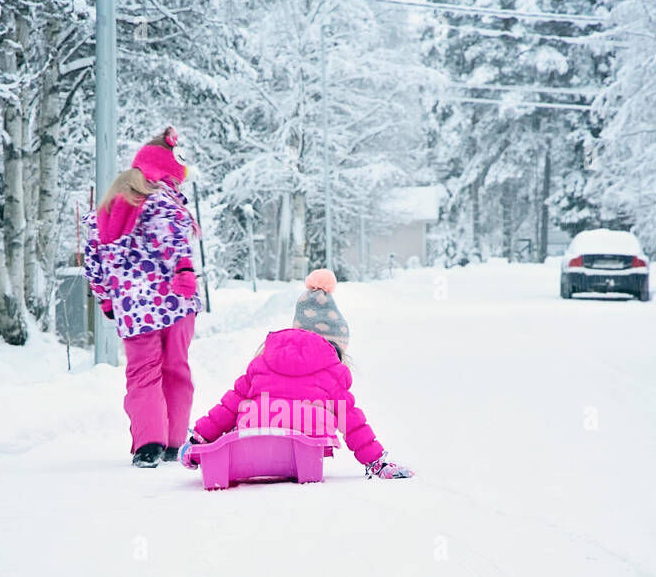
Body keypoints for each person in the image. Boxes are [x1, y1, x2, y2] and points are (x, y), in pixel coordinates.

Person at [181, 269, 412, 479]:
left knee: (247, 411)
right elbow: (351, 422)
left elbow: (229, 405)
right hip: (307, 447)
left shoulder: (264, 359)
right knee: (321, 415)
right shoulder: (333, 370)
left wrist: (198, 439)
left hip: (256, 435)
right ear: (337, 344)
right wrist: (377, 462)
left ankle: (233, 448)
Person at [83, 127, 200, 467]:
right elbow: (173, 238)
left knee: (142, 374)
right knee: (176, 370)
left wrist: (106, 299)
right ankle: (175, 442)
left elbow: (94, 263)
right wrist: (183, 269)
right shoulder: (164, 201)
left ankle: (148, 444)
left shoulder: (100, 216)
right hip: (176, 304)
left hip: (135, 311)